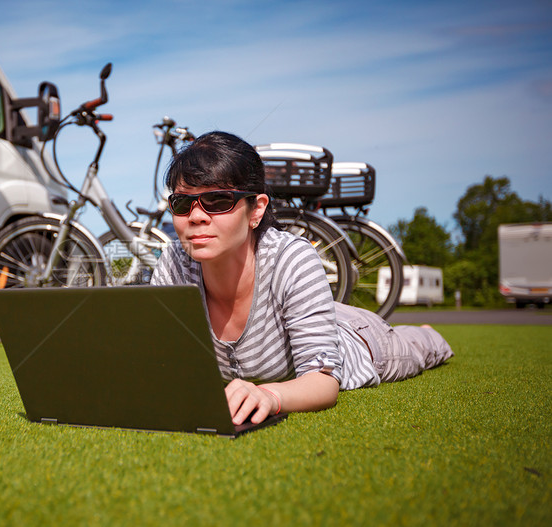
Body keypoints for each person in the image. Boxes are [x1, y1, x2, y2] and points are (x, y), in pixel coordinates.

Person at [150, 131, 453, 426]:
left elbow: (322, 382)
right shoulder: (173, 264)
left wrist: (270, 395)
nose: (197, 216)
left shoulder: (291, 258)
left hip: (362, 341)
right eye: (182, 202)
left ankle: (425, 331)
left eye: (218, 201)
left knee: (420, 347)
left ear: (256, 210)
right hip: (306, 313)